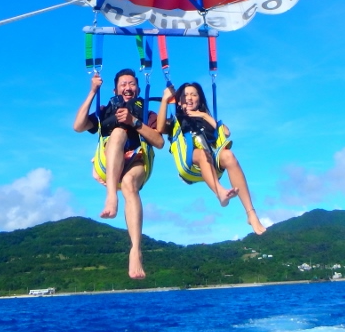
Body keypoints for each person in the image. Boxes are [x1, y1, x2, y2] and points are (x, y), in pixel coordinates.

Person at [72, 68, 164, 279]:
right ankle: (111, 197)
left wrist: (134, 121)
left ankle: (135, 250)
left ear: (138, 89)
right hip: (110, 163)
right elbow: (78, 126)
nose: (127, 87)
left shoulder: (145, 111)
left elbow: (159, 142)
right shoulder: (106, 110)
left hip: (137, 162)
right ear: (115, 90)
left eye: (131, 84)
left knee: (130, 184)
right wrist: (93, 91)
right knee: (118, 131)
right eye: (123, 84)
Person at [156, 81, 266, 236]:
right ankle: (220, 192)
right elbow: (159, 128)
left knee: (228, 155)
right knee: (201, 153)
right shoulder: (175, 121)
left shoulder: (204, 118)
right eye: (185, 95)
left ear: (200, 99)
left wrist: (203, 115)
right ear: (179, 100)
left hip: (212, 164)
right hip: (189, 164)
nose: (190, 98)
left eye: (194, 95)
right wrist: (165, 100)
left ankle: (251, 213)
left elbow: (226, 132)